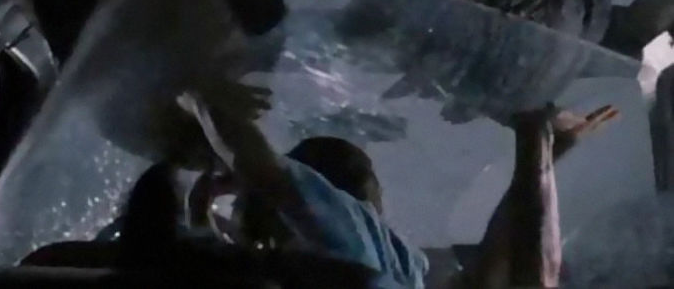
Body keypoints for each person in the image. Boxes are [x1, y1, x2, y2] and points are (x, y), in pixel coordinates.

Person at [184, 83, 618, 289]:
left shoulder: (366, 253)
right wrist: (540, 151)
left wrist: (195, 91)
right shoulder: (378, 260)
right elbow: (499, 274)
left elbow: (266, 172)